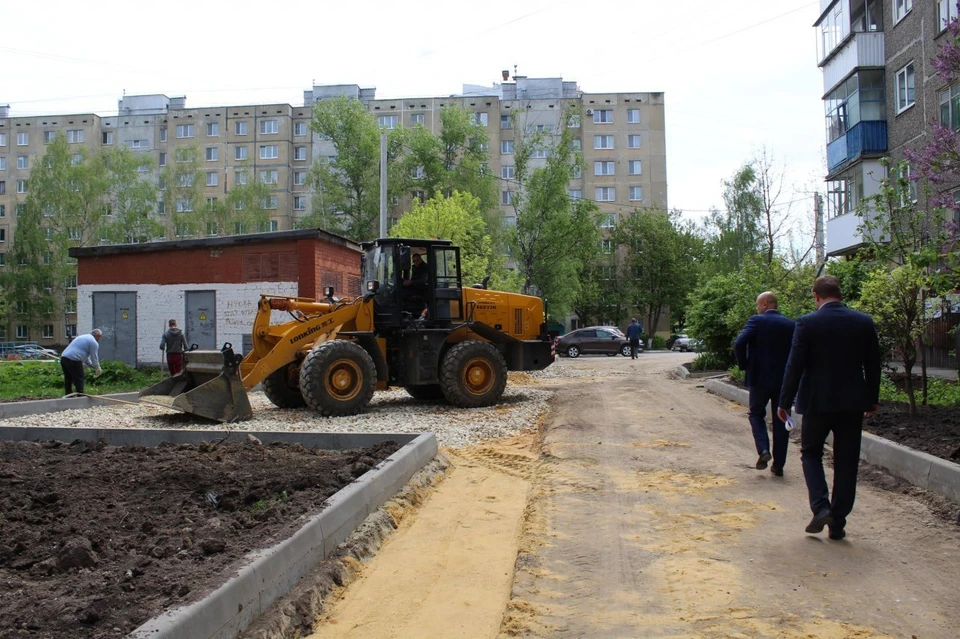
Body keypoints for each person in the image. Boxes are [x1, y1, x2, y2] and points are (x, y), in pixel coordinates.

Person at [777, 275, 880, 540]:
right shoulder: (863, 322)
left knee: (811, 453)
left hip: (816, 402)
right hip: (852, 403)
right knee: (847, 461)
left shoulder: (807, 323)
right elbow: (873, 364)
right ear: (840, 294)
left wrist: (784, 402)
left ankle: (821, 507)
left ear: (816, 295)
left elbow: (794, 365)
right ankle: (838, 522)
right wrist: (871, 399)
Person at [733, 292, 796, 476]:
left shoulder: (757, 321)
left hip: (759, 379)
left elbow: (739, 343)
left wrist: (744, 365)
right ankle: (779, 465)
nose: (757, 308)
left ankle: (763, 450)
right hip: (784, 381)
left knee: (756, 414)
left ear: (765, 304)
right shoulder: (791, 325)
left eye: (757, 304)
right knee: (782, 418)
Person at [60, 329, 103, 396]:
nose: (100, 339)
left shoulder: (83, 337)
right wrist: (97, 367)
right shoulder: (93, 342)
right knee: (79, 378)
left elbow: (85, 358)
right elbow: (94, 357)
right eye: (100, 337)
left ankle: (68, 395)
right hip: (74, 360)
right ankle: (80, 396)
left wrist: (92, 366)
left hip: (64, 358)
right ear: (98, 336)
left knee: (68, 378)